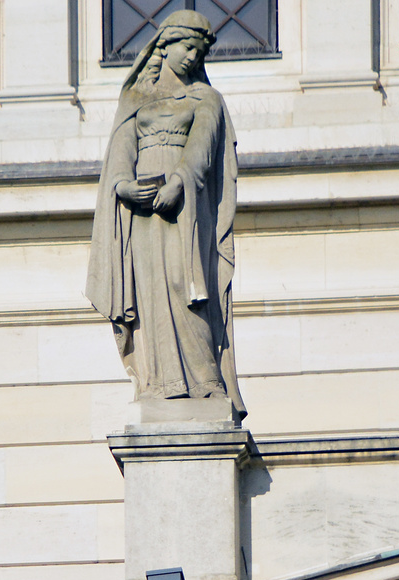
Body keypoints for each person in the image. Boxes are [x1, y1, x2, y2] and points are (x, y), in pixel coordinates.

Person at [85, 11, 246, 419]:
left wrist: (179, 180)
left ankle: (205, 381)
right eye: (186, 47)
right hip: (141, 211)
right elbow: (121, 151)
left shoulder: (207, 99)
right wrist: (123, 184)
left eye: (199, 50)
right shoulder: (135, 100)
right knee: (152, 287)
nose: (193, 56)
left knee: (184, 284)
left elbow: (202, 152)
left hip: (185, 207)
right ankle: (161, 382)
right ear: (165, 46)